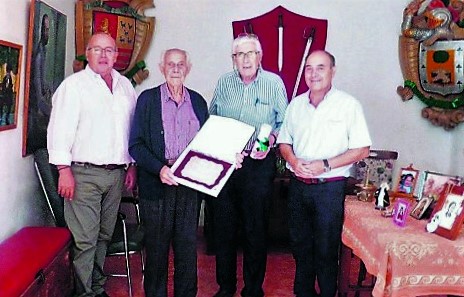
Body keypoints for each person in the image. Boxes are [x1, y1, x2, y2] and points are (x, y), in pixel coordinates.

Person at [129, 48, 244, 297]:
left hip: (190, 186)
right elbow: (135, 145)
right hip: (157, 185)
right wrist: (159, 169)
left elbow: (209, 144)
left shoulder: (198, 101)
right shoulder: (147, 100)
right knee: (157, 250)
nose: (176, 69)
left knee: (186, 248)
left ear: (188, 68)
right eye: (171, 64)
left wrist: (229, 156)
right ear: (162, 68)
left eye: (181, 64)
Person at [47, 33, 137, 297]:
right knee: (85, 240)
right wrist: (63, 171)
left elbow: (130, 130)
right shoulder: (73, 86)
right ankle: (84, 293)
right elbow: (59, 130)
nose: (103, 55)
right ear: (87, 53)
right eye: (96, 49)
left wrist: (131, 165)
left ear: (116, 55)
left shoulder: (125, 86)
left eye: (109, 50)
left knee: (103, 236)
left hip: (116, 174)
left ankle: (96, 289)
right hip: (81, 173)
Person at [277, 50, 371, 297]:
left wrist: (326, 164)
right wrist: (293, 160)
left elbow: (362, 148)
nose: (314, 73)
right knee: (300, 246)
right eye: (309, 68)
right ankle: (304, 292)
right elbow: (284, 143)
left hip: (329, 188)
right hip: (298, 186)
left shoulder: (348, 105)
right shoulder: (296, 104)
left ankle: (329, 293)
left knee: (327, 249)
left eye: (320, 67)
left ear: (333, 71)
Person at [209, 33, 288, 297]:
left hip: (258, 163)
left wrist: (270, 140)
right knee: (224, 227)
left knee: (256, 228)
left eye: (250, 53)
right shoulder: (224, 82)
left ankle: (253, 288)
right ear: (233, 59)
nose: (245, 59)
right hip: (227, 162)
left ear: (259, 56)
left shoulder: (273, 83)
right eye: (239, 54)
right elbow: (212, 118)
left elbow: (283, 122)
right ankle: (226, 287)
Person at [28, 13, 52, 153]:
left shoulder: (44, 49)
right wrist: (42, 102)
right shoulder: (39, 52)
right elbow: (37, 79)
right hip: (36, 103)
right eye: (45, 29)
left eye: (48, 30)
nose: (47, 33)